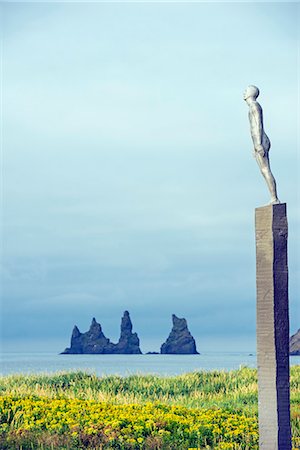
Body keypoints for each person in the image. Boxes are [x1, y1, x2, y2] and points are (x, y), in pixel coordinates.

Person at [244, 85, 280, 204]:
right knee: (263, 171)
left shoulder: (254, 106)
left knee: (266, 170)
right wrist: (255, 145)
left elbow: (258, 125)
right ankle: (273, 197)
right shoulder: (252, 107)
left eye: (246, 91)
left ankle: (274, 198)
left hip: (261, 141)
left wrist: (258, 144)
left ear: (251, 93)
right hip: (258, 141)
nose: (244, 93)